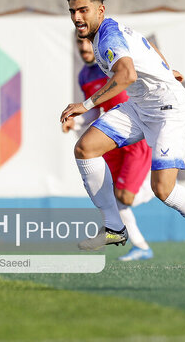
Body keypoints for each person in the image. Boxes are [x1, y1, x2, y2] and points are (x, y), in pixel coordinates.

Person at [61, 0, 185, 252]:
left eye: (83, 10)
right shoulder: (109, 31)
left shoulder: (108, 36)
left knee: (164, 191)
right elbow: (149, 46)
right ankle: (113, 227)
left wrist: (86, 105)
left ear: (100, 10)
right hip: (140, 107)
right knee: (85, 149)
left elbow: (127, 75)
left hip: (169, 110)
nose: (77, 17)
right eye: (73, 11)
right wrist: (166, 69)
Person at [62, 37, 157, 261]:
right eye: (79, 43)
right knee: (115, 199)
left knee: (124, 197)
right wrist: (74, 122)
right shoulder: (84, 75)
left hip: (134, 138)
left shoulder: (113, 65)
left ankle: (160, 184)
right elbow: (95, 111)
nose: (84, 48)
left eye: (87, 43)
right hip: (112, 140)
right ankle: (141, 246)